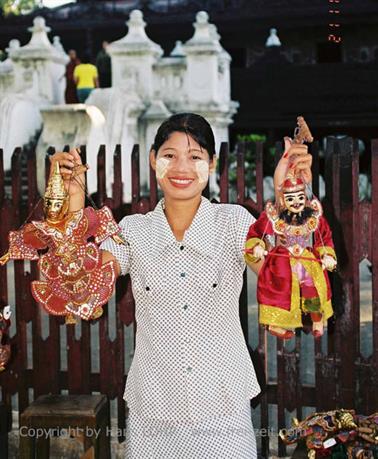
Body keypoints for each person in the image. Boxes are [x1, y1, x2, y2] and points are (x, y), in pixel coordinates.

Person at [49, 113, 312, 458]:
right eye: (170, 155)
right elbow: (81, 287)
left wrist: (291, 194)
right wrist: (68, 205)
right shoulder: (131, 230)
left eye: (196, 156)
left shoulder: (233, 223)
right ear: (153, 160)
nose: (182, 168)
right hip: (153, 410)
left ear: (212, 164)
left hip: (224, 409)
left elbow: (288, 280)